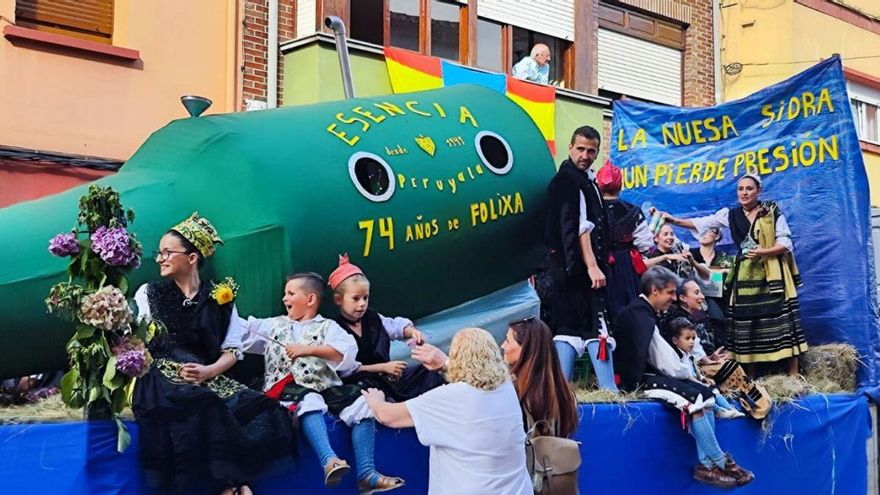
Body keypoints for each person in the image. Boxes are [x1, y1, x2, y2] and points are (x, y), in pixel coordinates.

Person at [132, 213, 295, 495]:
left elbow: (233, 350)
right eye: (159, 253)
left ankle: (235, 482)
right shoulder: (148, 293)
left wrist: (209, 371)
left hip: (209, 374)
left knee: (263, 408)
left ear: (192, 257)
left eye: (167, 252)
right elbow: (138, 342)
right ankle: (230, 485)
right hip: (163, 377)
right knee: (205, 402)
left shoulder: (221, 297)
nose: (159, 258)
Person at [241, 273, 404, 494]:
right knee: (309, 399)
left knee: (362, 402)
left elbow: (345, 352)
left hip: (326, 386)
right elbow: (242, 330)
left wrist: (307, 349)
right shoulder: (273, 326)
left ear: (310, 300)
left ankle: (366, 473)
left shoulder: (329, 327)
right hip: (288, 388)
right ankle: (329, 460)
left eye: (290, 293)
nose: (284, 299)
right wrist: (221, 302)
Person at [613, 266, 754, 488]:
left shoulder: (643, 312)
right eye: (670, 293)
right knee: (694, 400)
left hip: (648, 372)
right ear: (654, 290)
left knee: (704, 394)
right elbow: (663, 361)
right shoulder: (640, 316)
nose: (673, 298)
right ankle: (720, 461)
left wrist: (689, 377)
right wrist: (685, 375)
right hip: (637, 380)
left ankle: (707, 467)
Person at [656, 173, 808, 375]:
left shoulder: (770, 211)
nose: (744, 193)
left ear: (758, 191)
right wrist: (673, 220)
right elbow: (703, 222)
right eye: (740, 189)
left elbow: (786, 243)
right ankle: (751, 374)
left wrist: (763, 252)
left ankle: (793, 374)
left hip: (772, 274)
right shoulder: (731, 215)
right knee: (748, 322)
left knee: (782, 321)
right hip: (746, 275)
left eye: (749, 189)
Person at [363, 328, 533, 495]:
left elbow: (388, 416)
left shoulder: (449, 398)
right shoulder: (506, 387)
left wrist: (375, 399)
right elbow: (476, 376)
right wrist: (444, 362)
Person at [544, 125, 617, 391]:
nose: (585, 155)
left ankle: (565, 391)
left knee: (571, 327)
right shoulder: (568, 180)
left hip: (570, 272)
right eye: (581, 149)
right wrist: (592, 266)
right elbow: (578, 226)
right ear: (570, 148)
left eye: (591, 151)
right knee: (593, 327)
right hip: (576, 271)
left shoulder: (585, 181)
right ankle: (608, 391)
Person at [329, 254, 445, 401]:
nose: (362, 304)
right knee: (369, 394)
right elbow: (347, 371)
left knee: (430, 371)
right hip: (363, 385)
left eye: (365, 298)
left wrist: (412, 332)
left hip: (388, 378)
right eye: (356, 299)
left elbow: (395, 328)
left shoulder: (373, 318)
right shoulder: (335, 329)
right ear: (338, 299)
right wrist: (383, 367)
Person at [663, 280, 772, 420]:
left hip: (695, 365)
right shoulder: (679, 320)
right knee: (731, 368)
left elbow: (695, 350)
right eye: (696, 293)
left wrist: (709, 358)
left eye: (701, 292)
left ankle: (751, 399)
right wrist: (707, 360)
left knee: (729, 362)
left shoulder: (686, 317)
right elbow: (689, 354)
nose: (702, 296)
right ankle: (755, 403)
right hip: (687, 368)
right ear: (683, 298)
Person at [596, 160, 653, 319]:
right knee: (628, 310)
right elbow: (645, 244)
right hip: (625, 265)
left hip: (596, 263)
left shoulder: (590, 210)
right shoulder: (632, 210)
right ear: (620, 185)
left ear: (598, 185)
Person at [663, 317, 745, 419]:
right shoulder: (676, 356)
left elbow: (695, 371)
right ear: (675, 340)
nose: (691, 342)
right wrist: (699, 382)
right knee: (705, 394)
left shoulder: (689, 356)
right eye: (687, 339)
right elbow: (685, 374)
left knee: (714, 390)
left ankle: (729, 409)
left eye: (693, 338)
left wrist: (702, 378)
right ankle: (719, 411)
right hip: (686, 384)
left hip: (695, 382)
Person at [644, 224, 711, 280]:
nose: (670, 237)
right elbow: (641, 266)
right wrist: (665, 257)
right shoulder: (651, 257)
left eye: (672, 234)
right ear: (656, 238)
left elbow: (707, 275)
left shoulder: (680, 254)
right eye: (665, 234)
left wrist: (693, 262)